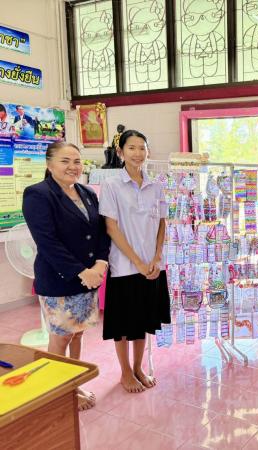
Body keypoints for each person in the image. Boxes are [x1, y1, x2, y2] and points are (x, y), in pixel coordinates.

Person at [22, 142, 110, 411]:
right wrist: (82, 272)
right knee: (60, 337)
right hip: (60, 279)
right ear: (49, 164)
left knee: (78, 334)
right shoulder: (38, 194)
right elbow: (47, 242)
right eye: (65, 161)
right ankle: (58, 392)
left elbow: (101, 231)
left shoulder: (87, 192)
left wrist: (100, 263)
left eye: (77, 161)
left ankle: (73, 383)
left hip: (89, 278)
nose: (73, 166)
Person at [99, 129, 170, 393]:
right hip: (124, 267)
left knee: (143, 322)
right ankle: (125, 372)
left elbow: (161, 223)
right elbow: (111, 227)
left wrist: (156, 258)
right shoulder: (112, 185)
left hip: (151, 267)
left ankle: (139, 367)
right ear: (120, 152)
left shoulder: (156, 186)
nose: (137, 153)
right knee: (123, 325)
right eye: (131, 148)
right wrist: (138, 262)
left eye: (142, 147)